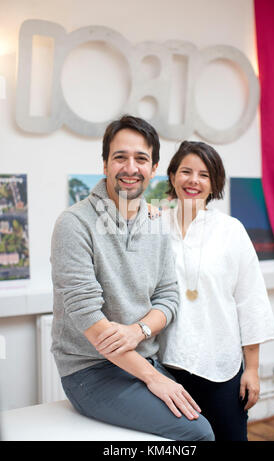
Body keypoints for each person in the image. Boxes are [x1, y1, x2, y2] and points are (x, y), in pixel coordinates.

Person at [50, 116, 214, 441]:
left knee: (214, 413)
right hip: (91, 371)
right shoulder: (74, 224)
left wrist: (138, 331)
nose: (130, 167)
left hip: (145, 358)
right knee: (198, 434)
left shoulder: (156, 223)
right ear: (105, 164)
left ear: (153, 168)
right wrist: (153, 378)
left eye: (140, 159)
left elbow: (168, 297)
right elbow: (88, 316)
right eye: (120, 157)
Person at [157, 140, 274, 441]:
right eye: (186, 171)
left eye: (203, 174)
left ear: (214, 183)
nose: (193, 181)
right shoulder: (155, 227)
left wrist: (252, 369)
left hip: (220, 367)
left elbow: (250, 300)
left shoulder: (231, 230)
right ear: (172, 176)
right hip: (167, 367)